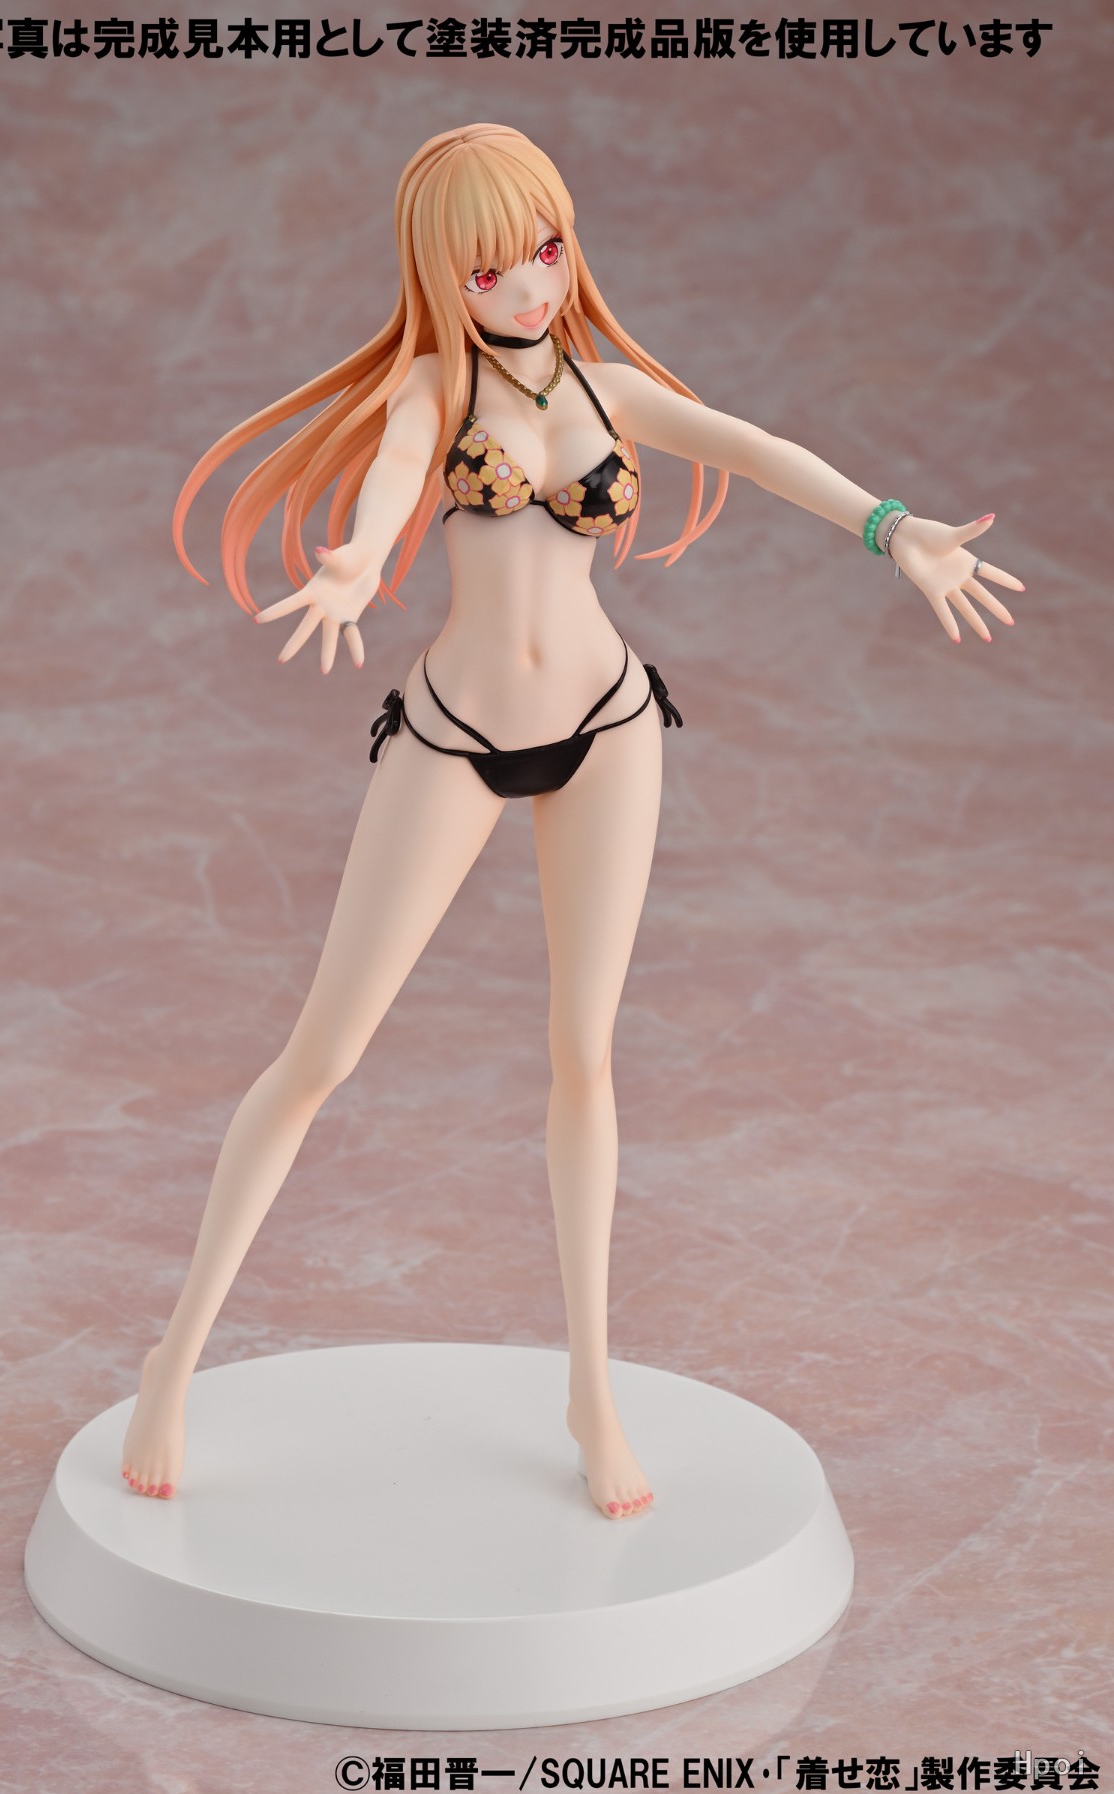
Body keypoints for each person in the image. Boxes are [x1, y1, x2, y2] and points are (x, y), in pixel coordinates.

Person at [120, 123, 1023, 1520]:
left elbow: (756, 448)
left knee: (585, 1057)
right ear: (442, 277)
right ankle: (174, 1357)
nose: (532, 286)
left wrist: (890, 528)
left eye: (547, 249)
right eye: (492, 269)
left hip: (608, 727)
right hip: (453, 735)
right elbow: (392, 472)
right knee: (321, 1055)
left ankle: (591, 1389)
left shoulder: (611, 390)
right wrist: (356, 564)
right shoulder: (436, 386)